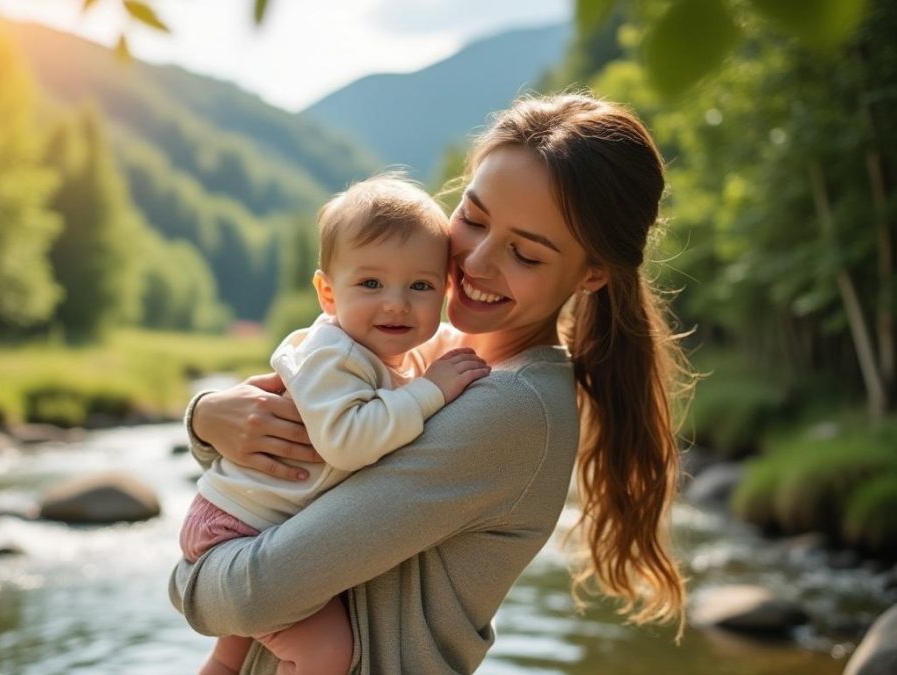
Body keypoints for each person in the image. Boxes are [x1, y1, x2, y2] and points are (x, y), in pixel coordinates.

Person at [170, 93, 692, 675]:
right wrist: (207, 419)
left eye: (524, 253)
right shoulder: (423, 349)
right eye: (473, 219)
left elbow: (252, 597)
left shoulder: (511, 410)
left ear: (591, 273)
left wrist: (189, 579)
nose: (477, 262)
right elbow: (301, 448)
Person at [179, 175, 491, 675]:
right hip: (236, 527)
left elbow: (445, 345)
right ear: (328, 292)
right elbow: (347, 443)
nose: (396, 303)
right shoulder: (335, 356)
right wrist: (430, 391)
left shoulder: (380, 350)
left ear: (445, 290)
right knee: (325, 652)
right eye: (371, 284)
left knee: (228, 657)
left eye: (420, 286)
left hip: (252, 519)